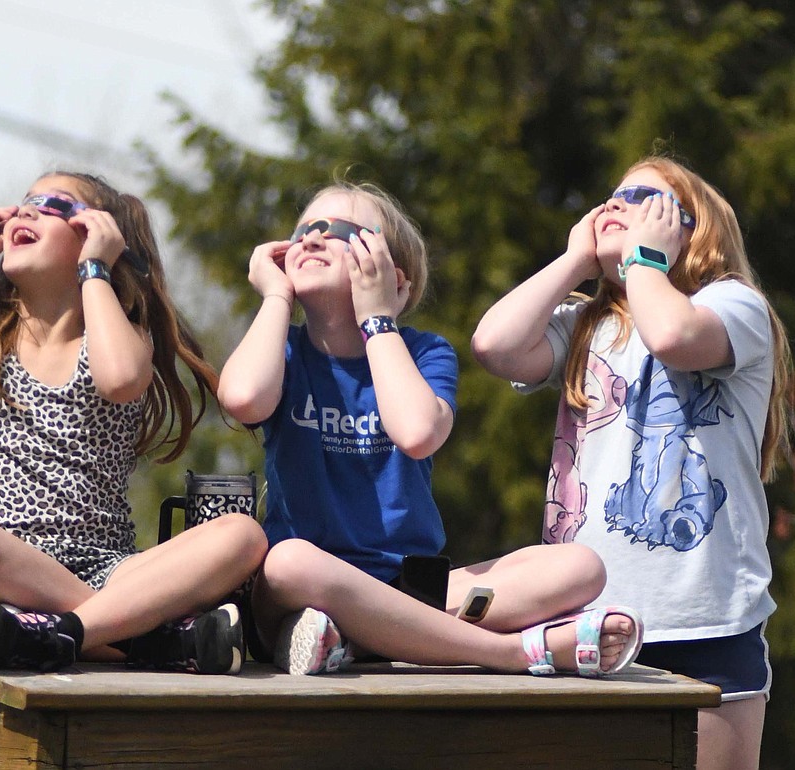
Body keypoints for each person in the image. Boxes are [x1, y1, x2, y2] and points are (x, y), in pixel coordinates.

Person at [218, 180, 643, 678]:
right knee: (289, 561)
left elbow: (417, 432)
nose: (311, 239)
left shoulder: (424, 353)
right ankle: (514, 652)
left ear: (392, 274)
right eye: (302, 231)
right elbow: (243, 399)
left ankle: (360, 639)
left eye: (337, 231)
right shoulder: (284, 350)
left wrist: (377, 321)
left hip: (409, 587)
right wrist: (274, 298)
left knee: (579, 568)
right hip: (301, 590)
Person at [0, 171, 267, 675]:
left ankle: (66, 637)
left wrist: (96, 268)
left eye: (54, 205)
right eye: (24, 202)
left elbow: (120, 380)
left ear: (97, 234)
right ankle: (145, 639)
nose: (25, 212)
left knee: (241, 536)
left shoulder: (120, 336)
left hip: (110, 576)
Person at [472, 156, 790, 769]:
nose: (616, 205)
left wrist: (645, 262)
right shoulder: (585, 324)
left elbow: (673, 337)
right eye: (611, 197)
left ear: (692, 228)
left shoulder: (732, 305)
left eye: (643, 199)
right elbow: (495, 346)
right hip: (586, 622)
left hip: (705, 618)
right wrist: (574, 261)